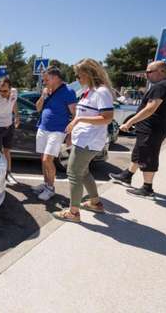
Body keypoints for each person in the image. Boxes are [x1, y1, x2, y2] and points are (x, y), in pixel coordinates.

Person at [52, 58, 114, 222]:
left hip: (89, 141)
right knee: (83, 172)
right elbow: (83, 114)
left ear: (89, 73)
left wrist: (79, 121)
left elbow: (107, 117)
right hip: (84, 140)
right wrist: (73, 130)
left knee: (73, 173)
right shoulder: (89, 91)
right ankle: (95, 203)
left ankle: (73, 213)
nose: (77, 79)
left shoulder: (101, 91)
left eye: (79, 76)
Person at [109, 61, 166, 197]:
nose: (146, 75)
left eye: (149, 72)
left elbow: (150, 109)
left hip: (152, 129)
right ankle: (127, 175)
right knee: (139, 153)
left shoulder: (162, 85)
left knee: (148, 157)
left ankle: (147, 188)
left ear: (161, 71)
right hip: (152, 128)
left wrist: (129, 122)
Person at [33, 66, 77, 201]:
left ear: (56, 78)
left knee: (48, 159)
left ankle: (51, 188)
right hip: (43, 128)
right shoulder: (48, 91)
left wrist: (71, 134)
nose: (44, 82)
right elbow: (38, 108)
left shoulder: (68, 91)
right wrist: (42, 96)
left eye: (46, 79)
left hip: (57, 130)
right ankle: (46, 184)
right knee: (43, 160)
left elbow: (75, 114)